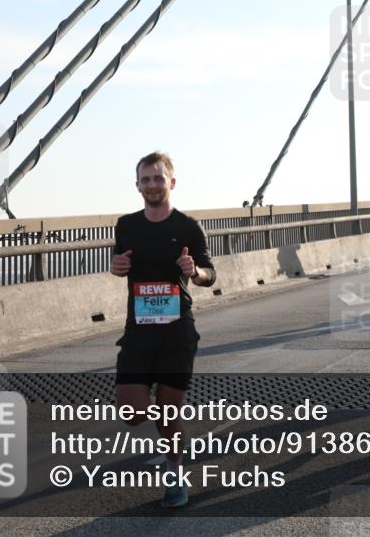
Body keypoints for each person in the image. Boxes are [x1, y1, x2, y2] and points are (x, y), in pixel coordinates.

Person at [110, 151, 217, 509]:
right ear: (137, 185)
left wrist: (194, 272)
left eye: (158, 178)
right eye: (145, 179)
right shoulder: (126, 225)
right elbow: (120, 261)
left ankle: (175, 473)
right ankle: (157, 408)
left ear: (171, 182)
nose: (152, 185)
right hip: (138, 331)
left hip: (176, 332)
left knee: (169, 415)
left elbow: (209, 273)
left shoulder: (188, 226)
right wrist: (118, 266)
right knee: (132, 413)